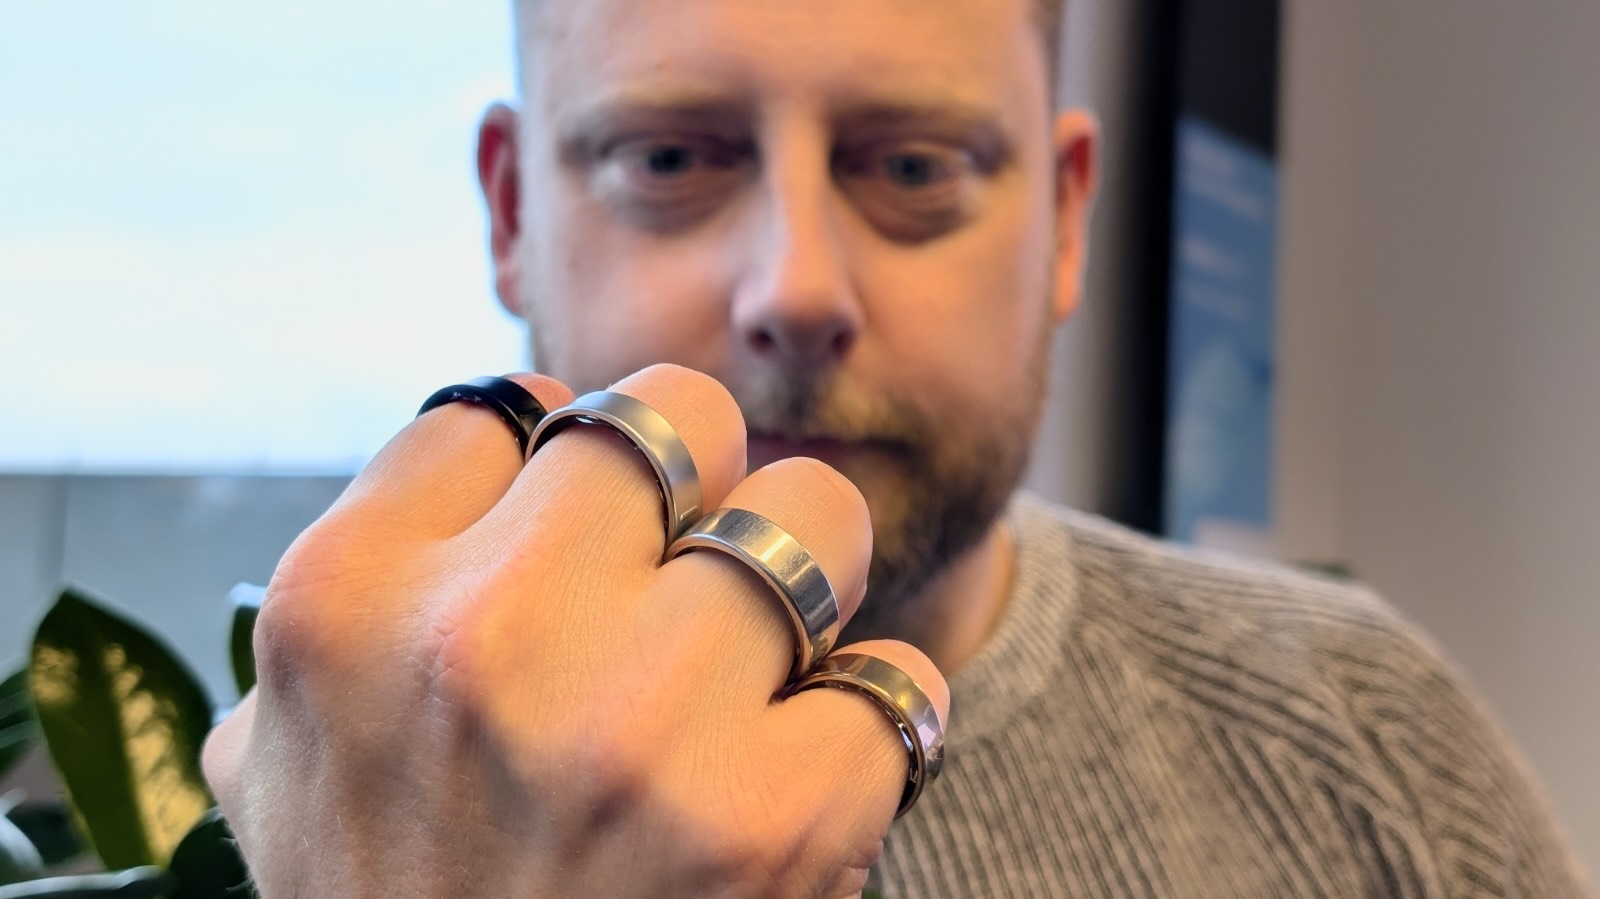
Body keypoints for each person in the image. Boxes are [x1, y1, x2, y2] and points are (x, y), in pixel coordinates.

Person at [201, 0, 1594, 895]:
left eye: (914, 167)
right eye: (672, 159)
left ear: (1064, 221)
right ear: (513, 215)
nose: (797, 289)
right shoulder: (320, 783)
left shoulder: (1371, 738)